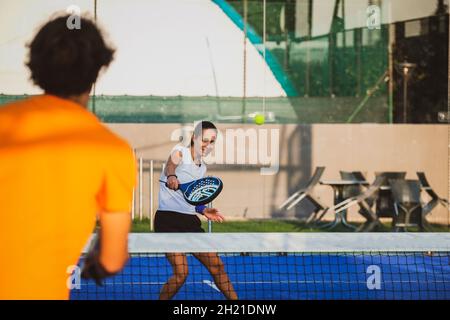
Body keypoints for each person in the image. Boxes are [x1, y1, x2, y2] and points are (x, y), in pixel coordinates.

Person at [0, 14, 135, 299]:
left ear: (35, 64)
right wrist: (97, 262)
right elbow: (113, 259)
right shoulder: (113, 150)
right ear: (98, 68)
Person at [154, 121, 238, 300]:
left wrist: (202, 210)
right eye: (204, 140)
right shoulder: (180, 152)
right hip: (168, 221)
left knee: (217, 266)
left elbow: (191, 196)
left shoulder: (202, 168)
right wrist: (171, 175)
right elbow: (171, 165)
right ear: (194, 137)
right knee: (181, 273)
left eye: (212, 142)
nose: (207, 145)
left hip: (190, 222)